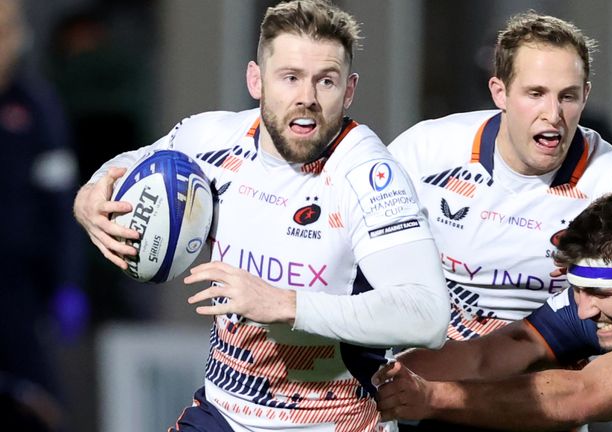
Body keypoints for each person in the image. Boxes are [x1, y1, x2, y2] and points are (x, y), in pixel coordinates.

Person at [72, 1, 449, 431]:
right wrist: (89, 198)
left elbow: (428, 315)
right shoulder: (211, 137)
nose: (307, 98)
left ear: (349, 91)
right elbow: (133, 161)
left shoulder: (370, 178)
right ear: (257, 80)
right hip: (225, 414)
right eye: (290, 78)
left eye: (325, 81)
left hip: (334, 421)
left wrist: (284, 304)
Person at [386, 11, 612, 430]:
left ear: (586, 95)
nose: (553, 114)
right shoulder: (425, 150)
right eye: (535, 93)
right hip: (435, 384)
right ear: (499, 92)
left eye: (568, 96)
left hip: (544, 405)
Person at [374, 190, 612, 431]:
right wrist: (370, 386)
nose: (582, 312)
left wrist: (433, 399)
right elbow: (487, 356)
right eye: (577, 290)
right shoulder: (611, 298)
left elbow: (580, 395)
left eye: (598, 293)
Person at [0, 0, 83, 426]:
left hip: (19, 293)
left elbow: (62, 200)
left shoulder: (36, 107)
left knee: (41, 407)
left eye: (9, 30)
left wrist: (68, 282)